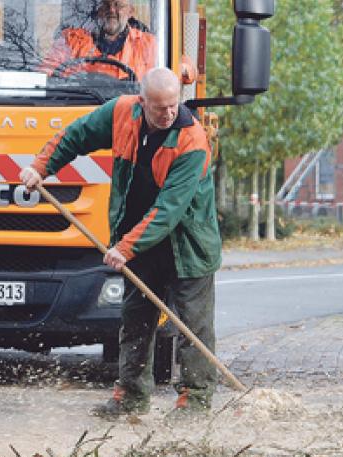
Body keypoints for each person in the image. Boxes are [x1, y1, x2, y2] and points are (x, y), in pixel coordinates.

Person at [20, 68, 221, 417]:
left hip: (187, 244)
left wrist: (125, 247)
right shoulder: (120, 113)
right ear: (142, 103)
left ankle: (197, 399)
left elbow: (168, 210)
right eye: (160, 107)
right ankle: (131, 397)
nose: (169, 113)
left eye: (174, 105)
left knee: (193, 324)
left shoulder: (192, 141)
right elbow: (75, 136)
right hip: (140, 240)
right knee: (135, 319)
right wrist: (41, 167)